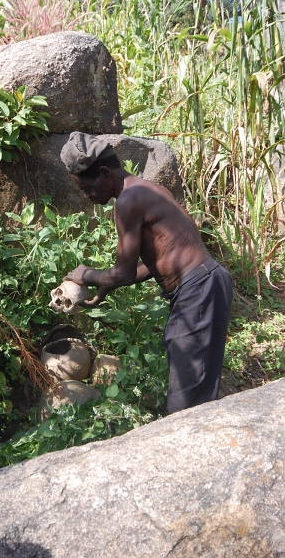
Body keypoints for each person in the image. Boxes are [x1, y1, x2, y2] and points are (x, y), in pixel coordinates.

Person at [60, 131, 233, 414]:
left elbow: (123, 274)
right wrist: (107, 286)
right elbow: (162, 258)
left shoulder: (127, 201)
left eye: (85, 188)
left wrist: (86, 274)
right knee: (199, 389)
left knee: (184, 404)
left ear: (105, 173)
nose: (87, 196)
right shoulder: (148, 189)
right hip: (209, 281)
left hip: (198, 290)